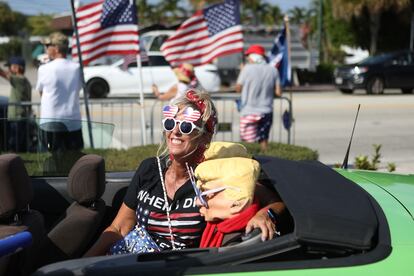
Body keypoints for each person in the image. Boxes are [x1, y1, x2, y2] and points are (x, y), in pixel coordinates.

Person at [84, 90, 281, 256]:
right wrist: (82, 264)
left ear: (204, 138)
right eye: (170, 124)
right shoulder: (149, 169)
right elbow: (119, 228)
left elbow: (275, 200)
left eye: (186, 126)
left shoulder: (215, 176)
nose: (175, 132)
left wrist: (266, 214)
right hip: (133, 264)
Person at [194, 142, 285, 248]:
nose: (197, 201)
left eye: (205, 194)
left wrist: (266, 214)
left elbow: (275, 201)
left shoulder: (242, 186)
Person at [35, 32, 83, 153]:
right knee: (73, 162)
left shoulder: (44, 68)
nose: (46, 48)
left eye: (48, 46)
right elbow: (78, 89)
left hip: (50, 120)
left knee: (50, 162)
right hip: (73, 120)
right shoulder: (76, 67)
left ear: (56, 48)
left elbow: (41, 93)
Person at [236, 44, 281, 152]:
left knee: (247, 145)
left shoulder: (246, 69)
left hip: (248, 111)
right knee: (263, 140)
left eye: (248, 56)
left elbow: (238, 88)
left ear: (253, 56)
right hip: (266, 111)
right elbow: (278, 92)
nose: (247, 58)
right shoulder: (273, 70)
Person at [0, 56, 32, 152]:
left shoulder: (19, 80)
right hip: (21, 115)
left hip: (16, 116)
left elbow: (3, 74)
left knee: (14, 142)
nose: (9, 69)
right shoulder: (25, 80)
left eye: (10, 66)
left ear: (17, 68)